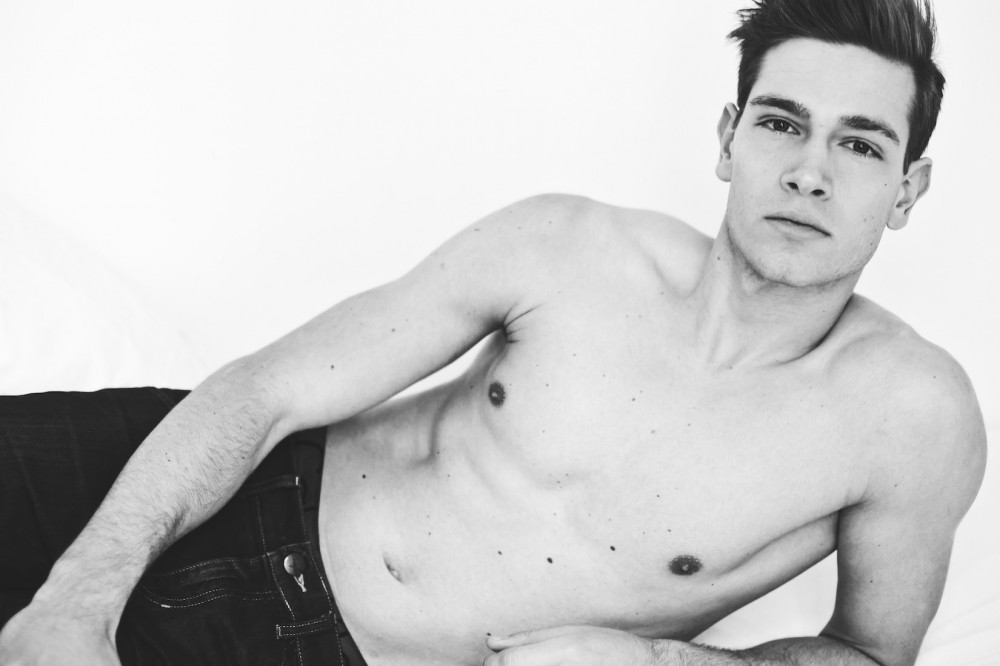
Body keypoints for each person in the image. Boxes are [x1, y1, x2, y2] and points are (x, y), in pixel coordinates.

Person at [0, 0, 987, 663]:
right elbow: (267, 391)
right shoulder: (570, 247)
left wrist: (658, 662)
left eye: (861, 145)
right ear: (729, 140)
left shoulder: (910, 420)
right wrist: (78, 596)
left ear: (907, 190)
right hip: (207, 487)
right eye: (781, 123)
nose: (809, 172)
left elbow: (868, 654)